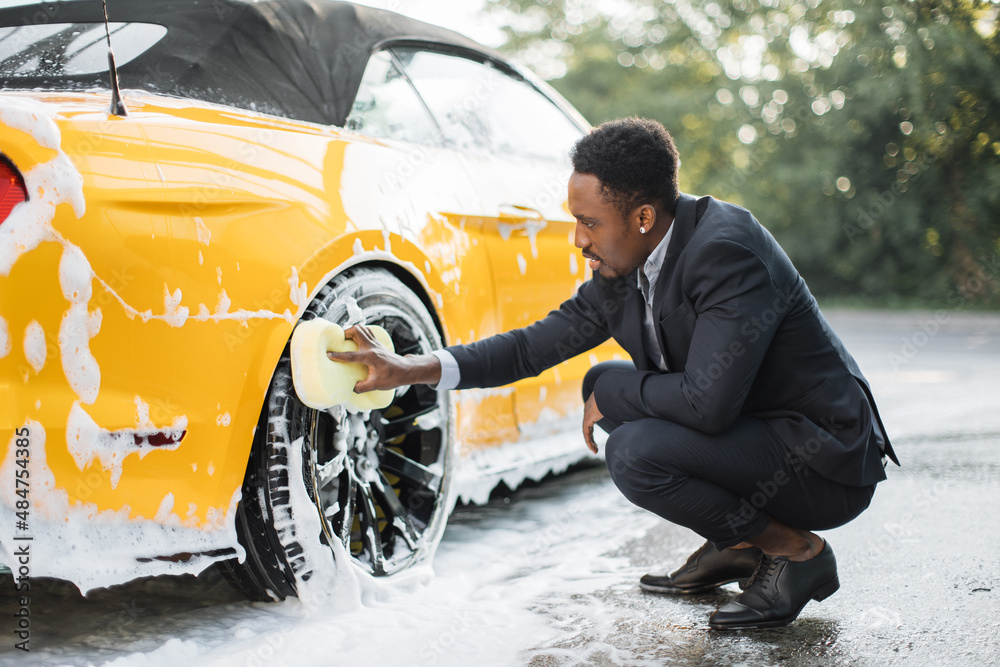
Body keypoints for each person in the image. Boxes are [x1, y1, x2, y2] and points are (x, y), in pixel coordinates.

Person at [327, 117, 899, 630]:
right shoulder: (622, 268)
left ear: (643, 216)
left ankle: (795, 552)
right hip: (759, 434)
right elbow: (530, 348)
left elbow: (708, 405)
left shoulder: (727, 251)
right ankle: (738, 542)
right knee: (619, 409)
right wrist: (410, 367)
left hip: (823, 458)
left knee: (635, 449)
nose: (579, 240)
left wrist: (609, 388)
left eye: (589, 223)